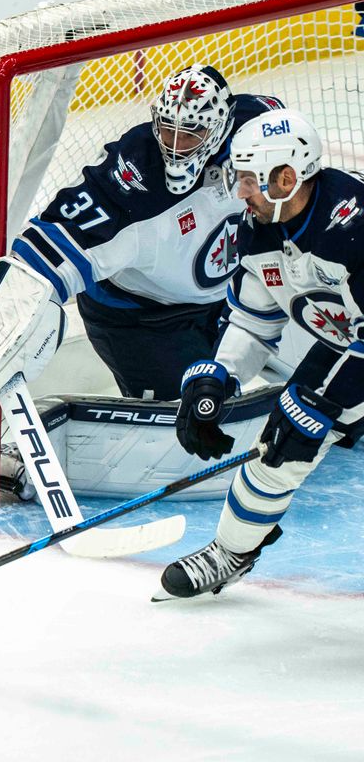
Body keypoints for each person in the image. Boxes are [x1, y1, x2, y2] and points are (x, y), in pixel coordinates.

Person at [0, 65, 284, 403]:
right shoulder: (129, 184)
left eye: (191, 134)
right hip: (142, 320)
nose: (176, 145)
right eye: (167, 130)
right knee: (190, 418)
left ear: (220, 128)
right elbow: (46, 252)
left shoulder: (254, 129)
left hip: (229, 296)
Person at [157, 108, 364, 598]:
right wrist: (218, 377)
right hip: (349, 350)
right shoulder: (260, 228)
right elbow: (255, 317)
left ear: (287, 177)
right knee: (279, 448)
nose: (240, 191)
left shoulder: (354, 227)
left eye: (249, 179)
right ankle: (231, 553)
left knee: (302, 415)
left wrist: (320, 401)